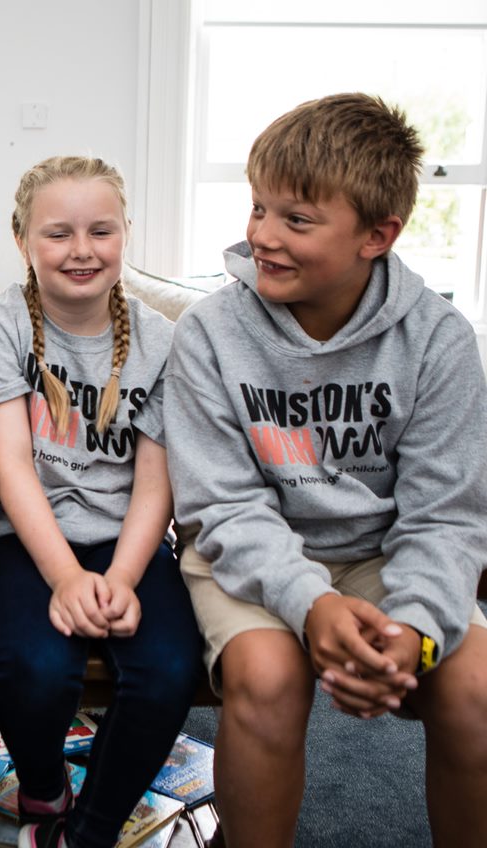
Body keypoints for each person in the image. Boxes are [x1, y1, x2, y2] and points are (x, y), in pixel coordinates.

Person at [165, 92, 487, 847]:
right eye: (257, 209)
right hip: (248, 553)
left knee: (474, 690)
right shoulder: (211, 333)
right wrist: (309, 603)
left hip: (384, 554)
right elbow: (221, 505)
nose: (262, 237)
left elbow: (447, 515)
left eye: (296, 220)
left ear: (378, 235)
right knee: (268, 679)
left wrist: (417, 629)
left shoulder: (439, 341)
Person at [0, 155, 203, 848]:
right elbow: (12, 471)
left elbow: (156, 480)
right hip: (26, 538)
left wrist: (122, 579)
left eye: (101, 230)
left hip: (129, 537)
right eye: (59, 233)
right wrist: (64, 577)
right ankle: (43, 789)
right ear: (23, 241)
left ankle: (90, 831)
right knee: (33, 667)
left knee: (167, 670)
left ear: (126, 233)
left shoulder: (162, 341)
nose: (82, 250)